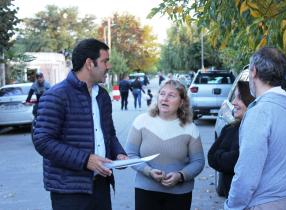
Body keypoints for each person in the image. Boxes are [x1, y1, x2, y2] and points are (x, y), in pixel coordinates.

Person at [33, 38, 128, 210]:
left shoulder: (103, 96)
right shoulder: (56, 96)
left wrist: (118, 153)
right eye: (105, 61)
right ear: (89, 64)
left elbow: (109, 134)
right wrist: (85, 160)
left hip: (101, 184)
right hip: (69, 190)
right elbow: (43, 141)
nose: (108, 66)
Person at [224, 47, 286, 210]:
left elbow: (246, 176)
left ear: (253, 71)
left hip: (263, 204)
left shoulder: (260, 112)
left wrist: (231, 206)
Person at [125, 79, 205, 210]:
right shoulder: (141, 121)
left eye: (171, 95)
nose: (165, 98)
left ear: (182, 102)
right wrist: (148, 171)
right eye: (162, 94)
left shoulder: (190, 128)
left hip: (180, 194)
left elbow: (198, 162)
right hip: (145, 190)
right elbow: (130, 154)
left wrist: (180, 176)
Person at [207, 81, 254, 197]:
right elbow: (211, 157)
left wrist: (224, 156)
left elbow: (243, 162)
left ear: (251, 99)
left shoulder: (258, 131)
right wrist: (232, 157)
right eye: (234, 98)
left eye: (239, 98)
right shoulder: (230, 128)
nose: (233, 102)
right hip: (230, 199)